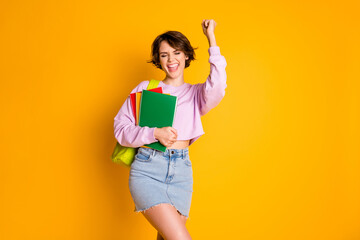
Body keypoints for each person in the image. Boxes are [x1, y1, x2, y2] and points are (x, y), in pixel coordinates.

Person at [113, 19, 227, 240]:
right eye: (164, 55)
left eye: (176, 53)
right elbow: (121, 128)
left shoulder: (197, 95)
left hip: (181, 173)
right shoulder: (146, 89)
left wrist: (211, 38)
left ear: (186, 56)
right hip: (148, 169)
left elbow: (219, 85)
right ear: (158, 60)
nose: (171, 60)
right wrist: (154, 133)